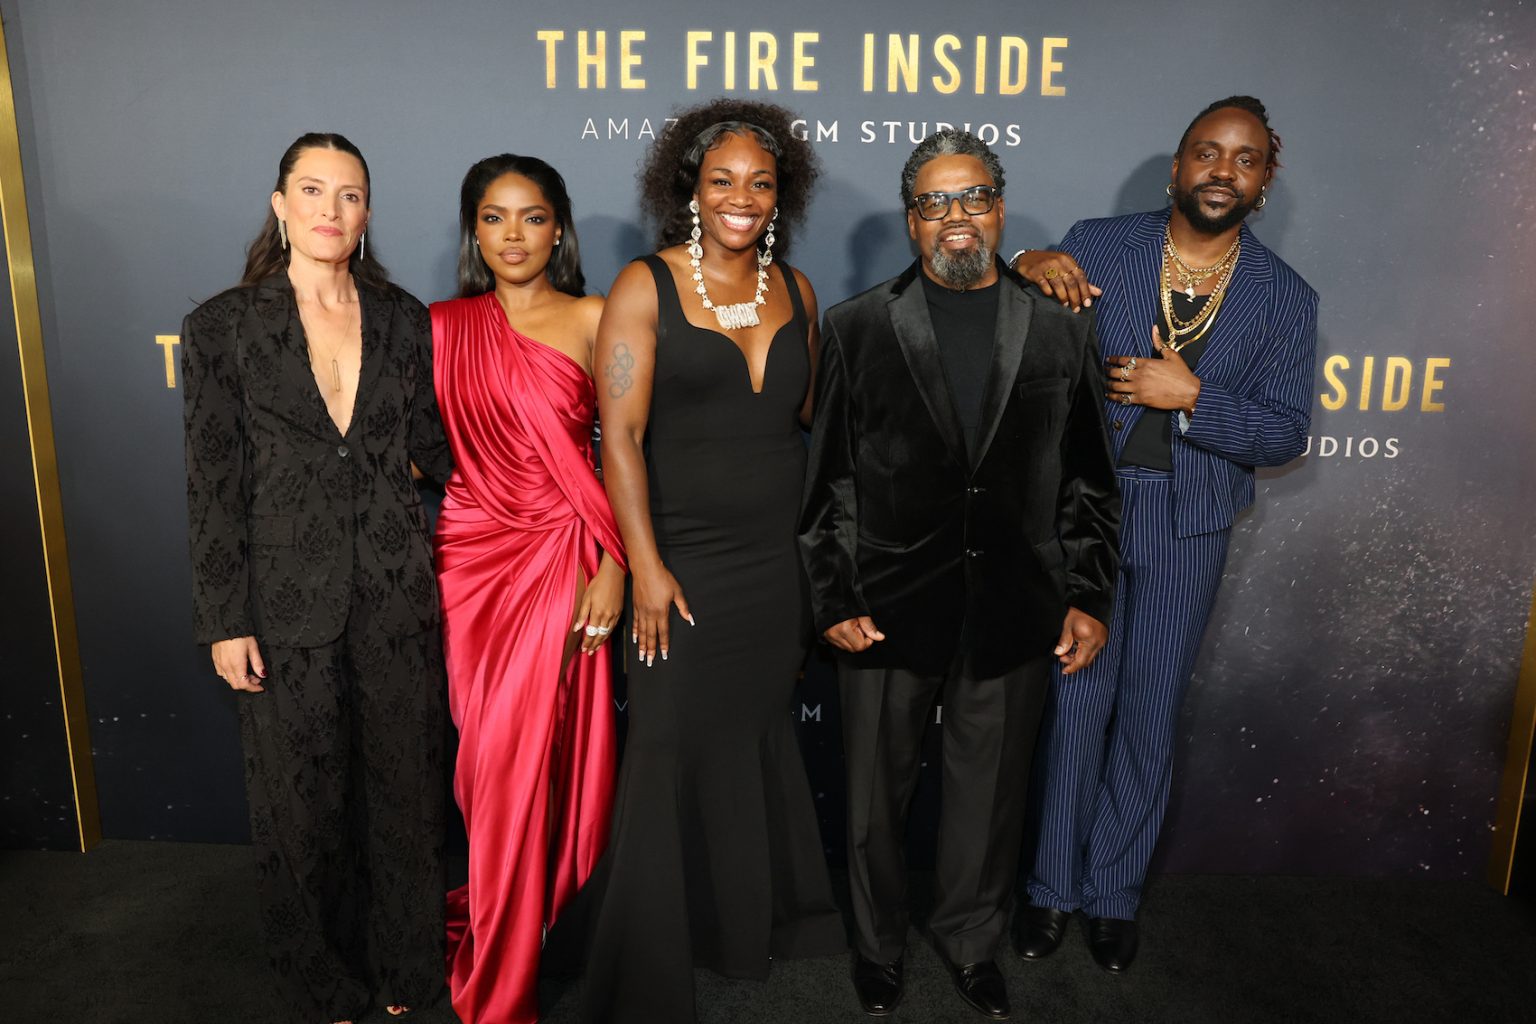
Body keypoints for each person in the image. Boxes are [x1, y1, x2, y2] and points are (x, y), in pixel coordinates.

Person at [799, 128, 1121, 1021]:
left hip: (1017, 604)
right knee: (871, 801)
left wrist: (1090, 595)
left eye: (972, 197)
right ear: (911, 219)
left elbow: (1092, 479)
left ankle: (976, 946)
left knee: (988, 804)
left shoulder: (1060, 326)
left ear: (999, 208)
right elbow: (827, 483)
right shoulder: (857, 326)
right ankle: (876, 949)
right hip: (887, 602)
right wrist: (833, 596)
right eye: (936, 201)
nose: (955, 217)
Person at [1010, 96, 1318, 974]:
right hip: (1087, 516)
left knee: (1147, 713)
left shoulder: (1286, 299)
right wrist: (1026, 259)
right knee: (1074, 704)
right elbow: (1009, 319)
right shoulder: (1098, 245)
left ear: (1266, 177)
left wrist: (1191, 399)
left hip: (1190, 523)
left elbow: (1285, 434)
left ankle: (1112, 896)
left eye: (1245, 158)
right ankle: (1049, 891)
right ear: (1178, 165)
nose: (1224, 170)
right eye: (1207, 153)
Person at [583, 99, 845, 1024]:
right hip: (682, 561)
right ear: (690, 188)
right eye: (723, 179)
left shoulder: (799, 292)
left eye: (761, 183)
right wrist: (645, 568)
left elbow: (814, 424)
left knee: (752, 739)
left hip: (774, 569)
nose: (742, 197)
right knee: (664, 743)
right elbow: (619, 436)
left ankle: (747, 927)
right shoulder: (645, 286)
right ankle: (651, 953)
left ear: (783, 196)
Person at [181, 133, 449, 1024]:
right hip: (282, 602)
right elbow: (213, 481)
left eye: (351, 195)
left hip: (394, 592)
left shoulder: (407, 317)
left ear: (367, 211)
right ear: (280, 202)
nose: (332, 210)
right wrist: (224, 616)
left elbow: (432, 450)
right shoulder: (222, 325)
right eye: (313, 191)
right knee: (301, 807)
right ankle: (322, 980)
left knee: (404, 794)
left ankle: (407, 971)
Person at [431, 154, 627, 1024]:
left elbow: (625, 454)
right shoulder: (434, 325)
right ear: (474, 229)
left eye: (534, 217)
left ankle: (501, 988)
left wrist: (617, 565)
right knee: (486, 767)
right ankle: (501, 910)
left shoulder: (597, 318)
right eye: (496, 217)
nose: (515, 235)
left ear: (560, 227)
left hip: (564, 560)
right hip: (466, 563)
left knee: (523, 766)